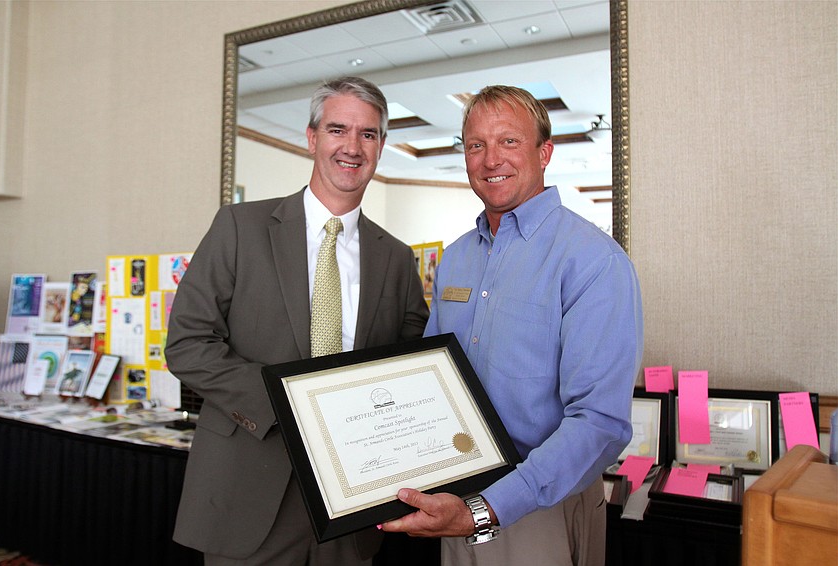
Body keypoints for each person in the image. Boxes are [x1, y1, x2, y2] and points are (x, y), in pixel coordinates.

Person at [165, 76, 429, 565]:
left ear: (382, 146)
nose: (352, 147)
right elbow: (187, 343)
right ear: (312, 138)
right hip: (249, 487)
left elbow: (410, 369)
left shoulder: (395, 258)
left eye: (368, 134)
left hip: (353, 502)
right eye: (337, 130)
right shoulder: (239, 228)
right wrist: (292, 407)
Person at [380, 85, 643, 566]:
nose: (489, 159)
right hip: (455, 499)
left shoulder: (593, 261)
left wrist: (485, 509)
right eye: (475, 145)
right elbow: (431, 381)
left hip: (542, 506)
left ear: (545, 152)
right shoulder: (456, 258)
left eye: (509, 141)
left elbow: (600, 424)